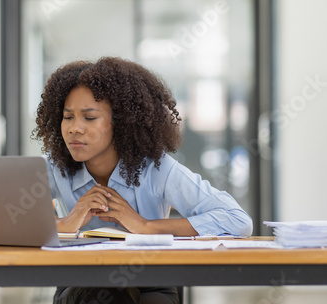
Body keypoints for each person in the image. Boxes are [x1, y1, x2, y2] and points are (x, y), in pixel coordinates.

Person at [31, 57, 253, 304]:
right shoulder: (53, 167)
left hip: (151, 281)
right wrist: (67, 223)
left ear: (123, 123)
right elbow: (3, 221)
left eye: (89, 118)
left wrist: (144, 226)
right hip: (80, 282)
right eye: (68, 116)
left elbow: (237, 220)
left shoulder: (156, 169)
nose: (74, 128)